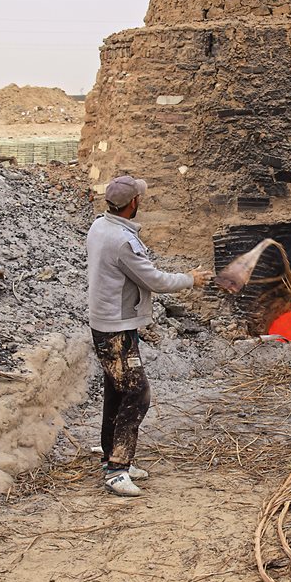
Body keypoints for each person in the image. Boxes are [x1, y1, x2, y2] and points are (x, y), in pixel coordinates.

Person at [87, 174, 211, 497]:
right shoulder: (123, 242)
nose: (141, 200)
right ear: (132, 204)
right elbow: (154, 280)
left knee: (117, 391)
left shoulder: (99, 228)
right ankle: (117, 470)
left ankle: (112, 459)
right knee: (138, 394)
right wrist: (191, 279)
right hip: (115, 330)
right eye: (139, 197)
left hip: (109, 323)